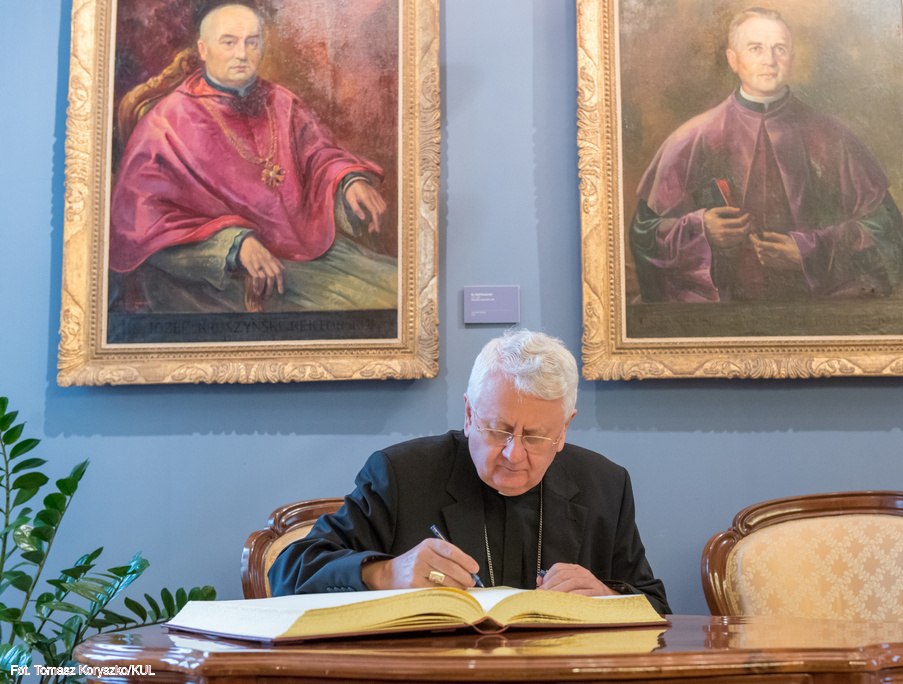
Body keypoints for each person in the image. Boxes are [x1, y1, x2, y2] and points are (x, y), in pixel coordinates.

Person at [269, 329, 671, 614]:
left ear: (564, 430)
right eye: (498, 429)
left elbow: (657, 606)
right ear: (468, 414)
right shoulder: (402, 475)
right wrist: (385, 572)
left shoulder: (605, 485)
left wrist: (607, 598)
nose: (514, 453)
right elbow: (287, 573)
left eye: (535, 437)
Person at [108, 2, 397, 313]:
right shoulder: (165, 123)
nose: (242, 54)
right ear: (203, 49)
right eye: (229, 42)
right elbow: (142, 220)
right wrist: (232, 244)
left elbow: (318, 154)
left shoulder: (281, 101)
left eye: (251, 42)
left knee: (397, 290)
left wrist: (347, 180)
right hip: (229, 276)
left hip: (307, 246)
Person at [630, 7, 903, 303]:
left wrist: (807, 252)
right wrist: (701, 230)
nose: (769, 60)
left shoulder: (834, 138)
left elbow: (890, 239)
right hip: (717, 315)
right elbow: (643, 237)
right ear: (733, 60)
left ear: (791, 59)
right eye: (756, 48)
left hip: (814, 312)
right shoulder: (692, 137)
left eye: (780, 49)